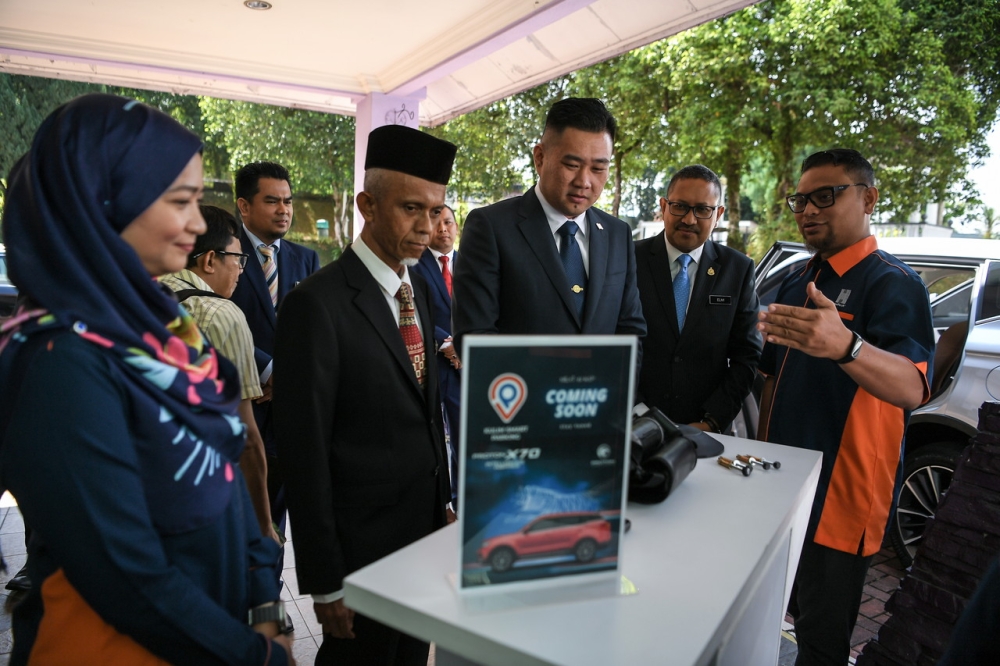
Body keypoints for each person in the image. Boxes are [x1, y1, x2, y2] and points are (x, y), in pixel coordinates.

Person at [0, 94, 292, 664]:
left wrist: (261, 594)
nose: (196, 223)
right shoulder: (59, 360)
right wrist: (254, 655)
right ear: (103, 202)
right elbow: (124, 571)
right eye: (179, 201)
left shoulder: (162, 328)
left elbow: (226, 473)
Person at [273, 124, 454, 665]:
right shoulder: (316, 304)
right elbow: (303, 452)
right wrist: (326, 581)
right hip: (360, 550)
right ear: (367, 205)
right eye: (411, 209)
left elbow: (425, 408)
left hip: (421, 536)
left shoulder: (417, 285)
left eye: (437, 211)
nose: (428, 227)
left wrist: (441, 500)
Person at [756, 148, 934, 666]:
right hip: (782, 483)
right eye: (800, 199)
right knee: (768, 612)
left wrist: (848, 346)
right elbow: (770, 380)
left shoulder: (894, 284)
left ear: (869, 198)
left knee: (821, 635)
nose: (809, 210)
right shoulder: (796, 279)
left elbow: (910, 388)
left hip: (843, 491)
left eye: (825, 196)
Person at [453, 97, 646, 347]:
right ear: (540, 158)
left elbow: (631, 331)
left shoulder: (617, 234)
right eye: (572, 165)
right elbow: (475, 336)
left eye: (598, 169)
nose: (584, 181)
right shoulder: (491, 227)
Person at [161, 204, 278, 543]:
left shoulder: (136, 295)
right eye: (238, 259)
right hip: (202, 499)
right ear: (209, 260)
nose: (242, 270)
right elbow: (245, 439)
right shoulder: (221, 313)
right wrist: (262, 527)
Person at [229, 161, 320, 540]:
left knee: (276, 520)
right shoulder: (221, 253)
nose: (284, 209)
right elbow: (219, 321)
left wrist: (292, 374)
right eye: (272, 201)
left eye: (288, 201)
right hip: (241, 405)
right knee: (241, 515)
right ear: (244, 206)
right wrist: (268, 370)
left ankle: (270, 592)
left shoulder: (306, 259)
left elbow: (313, 328)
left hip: (289, 411)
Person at [634, 164, 760, 432]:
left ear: (718, 214)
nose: (689, 219)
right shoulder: (628, 261)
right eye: (680, 206)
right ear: (664, 206)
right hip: (634, 424)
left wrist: (711, 421)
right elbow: (612, 343)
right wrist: (639, 412)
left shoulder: (737, 270)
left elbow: (746, 356)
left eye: (703, 210)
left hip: (707, 430)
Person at [409, 203, 462, 507]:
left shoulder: (472, 264)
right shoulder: (414, 264)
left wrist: (465, 344)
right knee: (429, 436)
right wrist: (446, 342)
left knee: (461, 435)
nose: (443, 229)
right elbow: (413, 309)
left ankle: (459, 499)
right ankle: (437, 502)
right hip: (429, 362)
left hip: (462, 367)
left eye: (449, 223)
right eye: (437, 223)